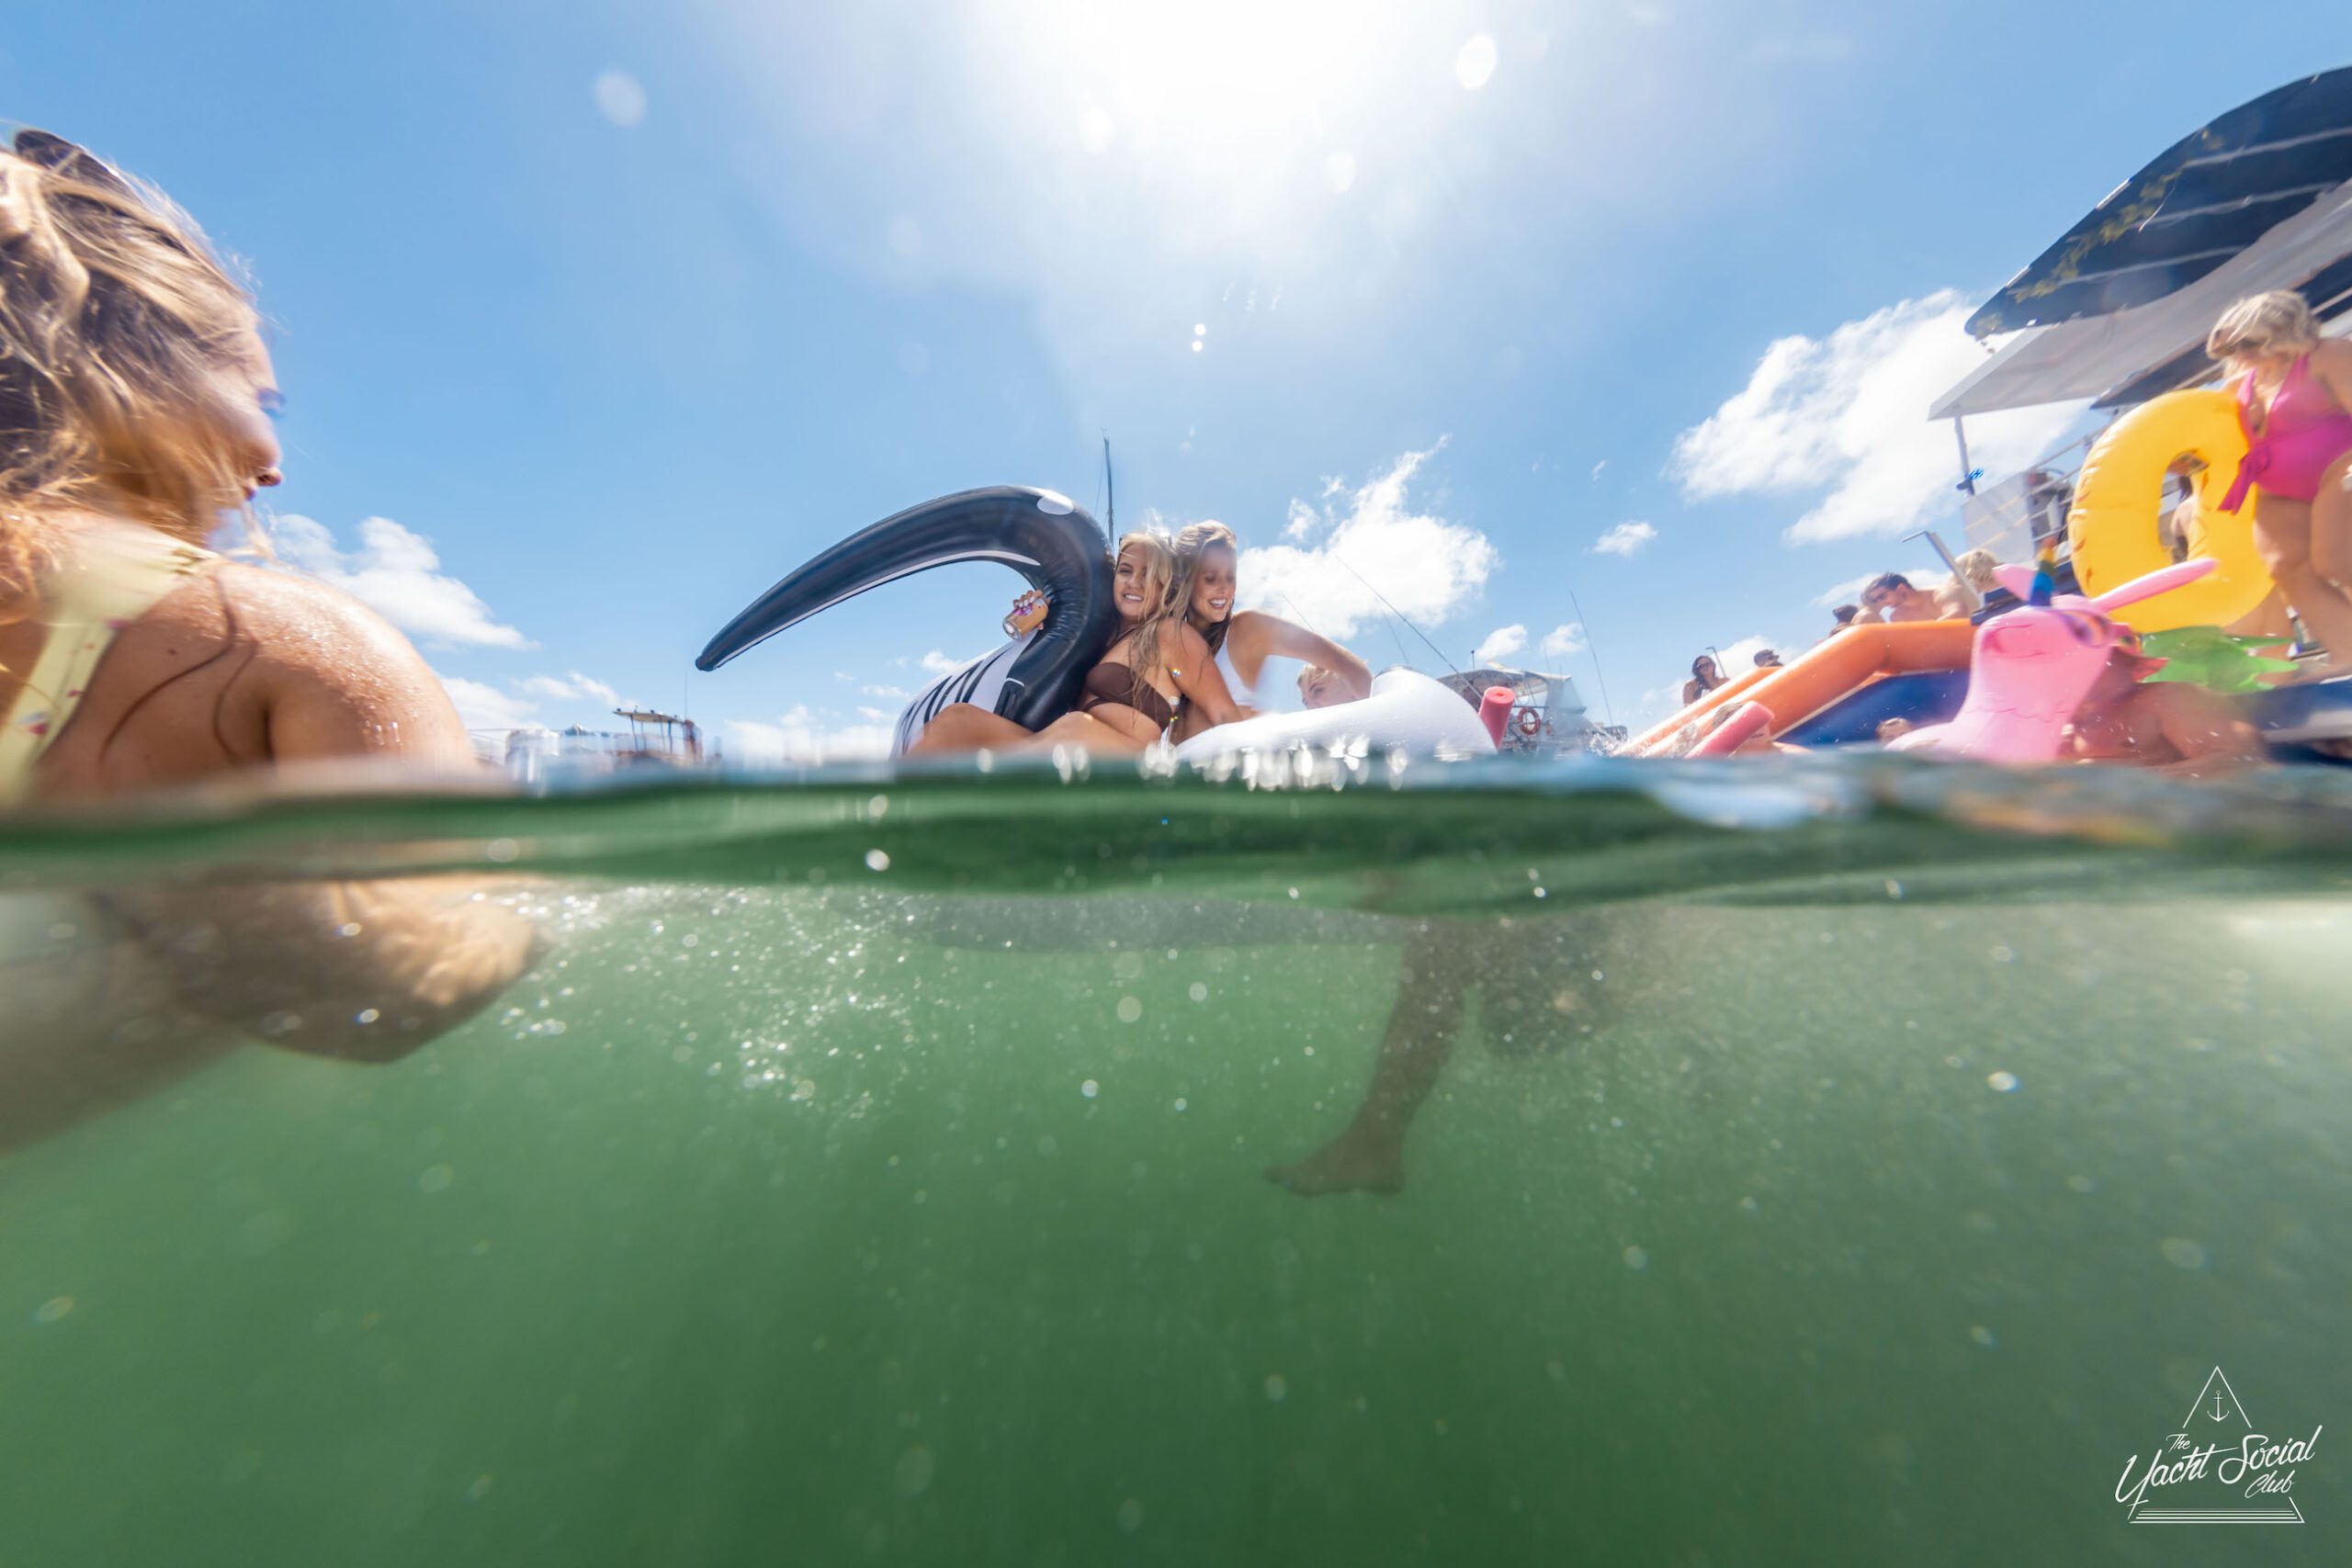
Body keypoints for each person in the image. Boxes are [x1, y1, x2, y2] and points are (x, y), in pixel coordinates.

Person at [0, 130, 534, 1137]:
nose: (273, 460)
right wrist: (520, 908)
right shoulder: (271, 645)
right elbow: (395, 993)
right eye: (261, 398)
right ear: (136, 366)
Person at [904, 530, 1249, 753]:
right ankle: (892, 824)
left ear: (1165, 588)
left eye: (1149, 575)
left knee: (1072, 730)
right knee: (957, 719)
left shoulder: (1171, 635)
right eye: (1126, 571)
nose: (1134, 583)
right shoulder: (1098, 639)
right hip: (1062, 747)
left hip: (1118, 760)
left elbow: (1223, 713)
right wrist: (1037, 632)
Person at [2206, 290, 2352, 672]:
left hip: (2343, 468)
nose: (2239, 354)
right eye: (2233, 348)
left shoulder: (2327, 354)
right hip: (2278, 489)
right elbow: (2209, 441)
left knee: (2336, 560)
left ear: (2278, 329)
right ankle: (2348, 650)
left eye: (2247, 343)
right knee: (2285, 565)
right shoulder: (2239, 385)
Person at [1163, 520, 1371, 744]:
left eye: (1230, 577)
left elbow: (1343, 662)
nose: (1224, 589)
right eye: (1211, 578)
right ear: (1186, 581)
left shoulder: (1246, 629)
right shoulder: (1172, 645)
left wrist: (1382, 732)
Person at [2060, 642, 2265, 771]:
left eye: (2092, 657)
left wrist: (2127, 785)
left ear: (2130, 662)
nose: (2079, 668)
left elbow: (2240, 757)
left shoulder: (2162, 696)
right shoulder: (2049, 717)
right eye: (2066, 659)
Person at [1860, 571, 1971, 623]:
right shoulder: (1897, 616)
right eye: (1876, 600)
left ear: (1901, 589)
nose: (1881, 603)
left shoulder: (1940, 593)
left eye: (1883, 596)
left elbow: (1958, 615)